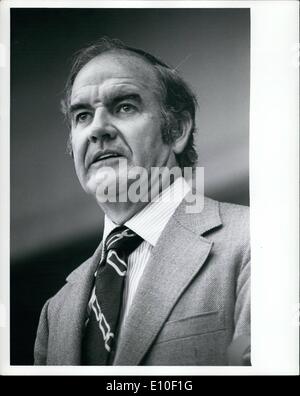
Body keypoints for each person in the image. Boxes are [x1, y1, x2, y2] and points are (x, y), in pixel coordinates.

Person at [34, 38, 250, 366]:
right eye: (82, 115)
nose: (97, 129)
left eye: (124, 107)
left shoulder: (254, 240)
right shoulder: (56, 312)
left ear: (176, 129)